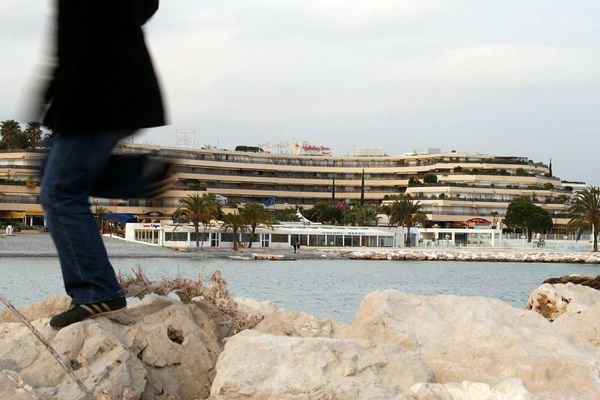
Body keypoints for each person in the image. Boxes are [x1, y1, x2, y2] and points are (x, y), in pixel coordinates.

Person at [38, 0, 168, 329]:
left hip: (98, 96)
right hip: (99, 94)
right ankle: (140, 175)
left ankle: (96, 291)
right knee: (45, 171)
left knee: (60, 191)